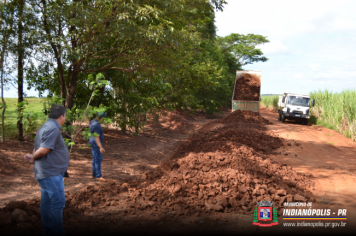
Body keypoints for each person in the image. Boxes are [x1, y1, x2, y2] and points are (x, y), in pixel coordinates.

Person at [24, 104, 69, 236]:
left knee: (47, 202)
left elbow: (38, 146)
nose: (65, 118)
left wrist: (33, 156)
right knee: (58, 201)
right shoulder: (52, 128)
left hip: (46, 172)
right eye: (65, 116)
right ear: (61, 116)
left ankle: (48, 231)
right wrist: (33, 157)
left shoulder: (45, 126)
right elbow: (43, 150)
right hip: (51, 174)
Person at [88, 112, 107, 182]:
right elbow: (97, 137)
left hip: (92, 143)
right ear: (100, 118)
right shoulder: (97, 125)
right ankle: (98, 176)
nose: (104, 119)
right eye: (103, 118)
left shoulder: (92, 122)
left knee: (95, 159)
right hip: (96, 144)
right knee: (98, 159)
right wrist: (101, 147)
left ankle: (94, 174)